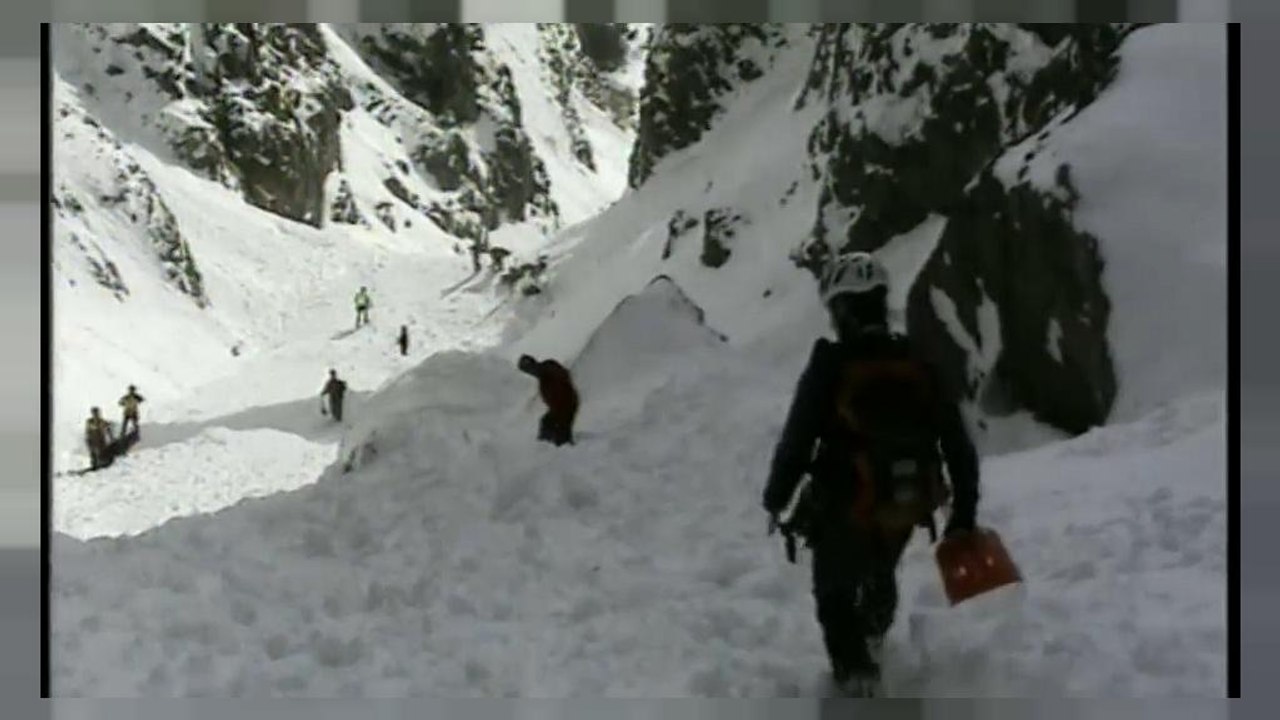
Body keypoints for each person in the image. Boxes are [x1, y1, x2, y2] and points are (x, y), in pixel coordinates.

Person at [760, 251, 980, 697]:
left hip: (844, 502)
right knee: (880, 569)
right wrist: (964, 512)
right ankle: (877, 647)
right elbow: (956, 443)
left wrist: (776, 496)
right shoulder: (918, 362)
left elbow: (798, 437)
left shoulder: (831, 364)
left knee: (834, 595)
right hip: (904, 503)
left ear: (841, 308)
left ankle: (858, 683)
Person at [517, 354, 579, 447]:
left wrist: (559, 393)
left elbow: (562, 376)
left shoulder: (548, 367)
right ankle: (546, 448)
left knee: (559, 431)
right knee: (548, 423)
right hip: (560, 406)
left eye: (528, 369)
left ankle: (553, 449)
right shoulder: (543, 376)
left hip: (566, 405)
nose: (530, 373)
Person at [84, 406, 115, 470]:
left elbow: (108, 428)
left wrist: (111, 437)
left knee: (103, 450)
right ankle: (94, 464)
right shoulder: (89, 421)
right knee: (93, 452)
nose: (96, 415)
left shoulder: (102, 421)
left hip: (100, 439)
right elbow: (87, 431)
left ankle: (103, 462)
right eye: (94, 413)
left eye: (97, 413)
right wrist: (88, 439)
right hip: (92, 439)